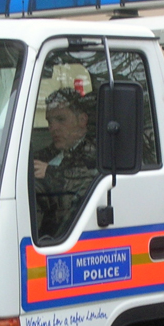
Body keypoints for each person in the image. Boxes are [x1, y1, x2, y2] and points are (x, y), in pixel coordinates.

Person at [33, 88, 98, 239]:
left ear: (82, 120)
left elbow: (83, 179)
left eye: (61, 119)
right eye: (50, 122)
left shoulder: (92, 152)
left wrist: (50, 173)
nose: (52, 128)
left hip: (65, 231)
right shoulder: (54, 151)